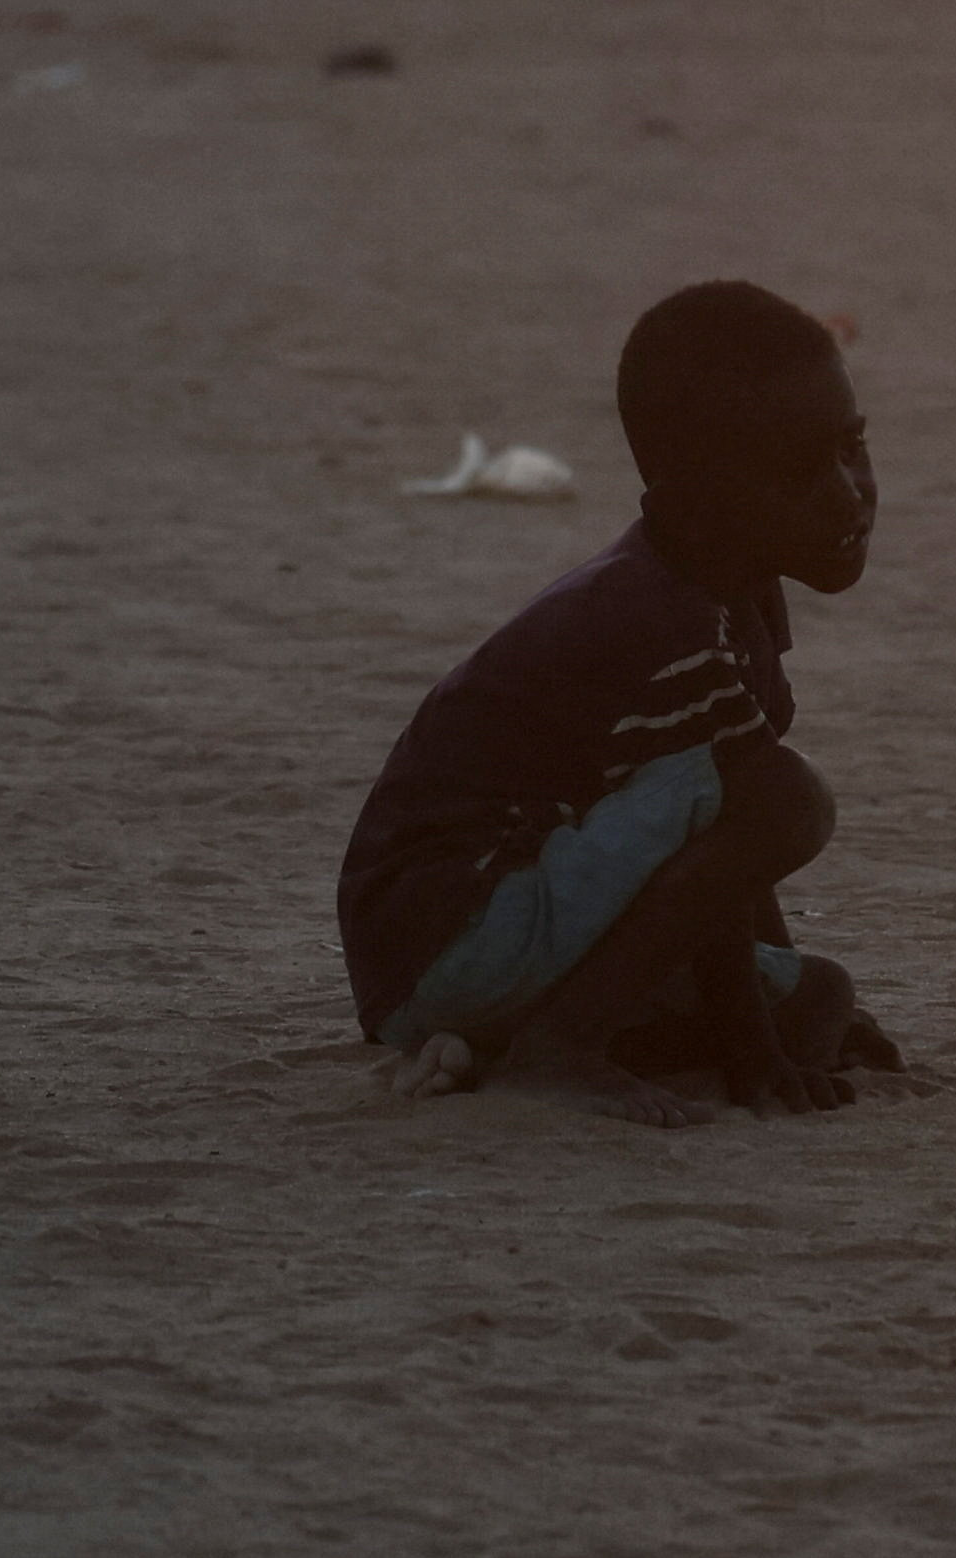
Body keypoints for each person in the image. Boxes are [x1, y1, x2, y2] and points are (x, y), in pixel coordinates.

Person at [337, 283, 908, 1128]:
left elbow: (717, 863)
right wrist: (755, 1053)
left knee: (821, 996)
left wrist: (779, 1023)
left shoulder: (725, 598)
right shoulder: (664, 623)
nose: (848, 492)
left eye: (851, 446)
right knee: (788, 799)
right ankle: (559, 1050)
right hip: (456, 929)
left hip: (479, 954)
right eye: (798, 469)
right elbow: (738, 827)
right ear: (693, 491)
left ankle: (497, 1050)